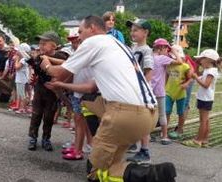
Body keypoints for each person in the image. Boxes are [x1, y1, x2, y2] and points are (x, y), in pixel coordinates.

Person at [40, 15, 176, 182]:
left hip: (125, 114)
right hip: (148, 115)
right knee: (111, 164)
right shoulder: (120, 46)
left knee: (94, 172)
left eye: (81, 32)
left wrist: (46, 63)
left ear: (92, 29)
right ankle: (147, 173)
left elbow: (59, 72)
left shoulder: (93, 42)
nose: (79, 37)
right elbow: (91, 87)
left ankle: (153, 175)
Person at [27, 31, 68, 152]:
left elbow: (67, 64)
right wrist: (33, 77)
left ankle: (46, 139)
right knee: (36, 115)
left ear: (54, 46)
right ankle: (33, 138)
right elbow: (36, 70)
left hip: (53, 93)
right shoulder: (39, 57)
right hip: (40, 90)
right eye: (40, 43)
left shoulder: (61, 56)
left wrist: (47, 59)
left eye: (44, 44)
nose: (41, 46)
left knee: (49, 117)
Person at [125, 18, 154, 164]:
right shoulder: (133, 48)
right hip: (132, 89)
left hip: (141, 91)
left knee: (143, 121)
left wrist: (145, 90)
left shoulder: (146, 50)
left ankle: (145, 150)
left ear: (145, 32)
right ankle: (132, 143)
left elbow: (149, 72)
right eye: (132, 30)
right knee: (133, 118)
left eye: (136, 30)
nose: (132, 32)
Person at [182, 49, 220, 148]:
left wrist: (195, 77)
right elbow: (200, 76)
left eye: (201, 59)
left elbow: (206, 85)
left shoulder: (211, 71)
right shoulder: (209, 70)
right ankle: (204, 140)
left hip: (205, 99)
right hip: (205, 98)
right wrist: (197, 66)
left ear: (208, 60)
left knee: (203, 120)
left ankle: (198, 140)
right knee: (206, 120)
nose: (200, 61)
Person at [151, 38, 183, 145]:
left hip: (148, 91)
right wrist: (174, 51)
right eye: (166, 48)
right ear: (161, 48)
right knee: (162, 114)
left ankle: (146, 134)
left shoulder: (150, 57)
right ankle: (164, 137)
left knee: (149, 113)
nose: (167, 51)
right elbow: (180, 62)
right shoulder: (162, 58)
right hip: (159, 91)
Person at [166, 46, 192, 140]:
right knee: (167, 111)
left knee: (180, 112)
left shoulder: (185, 66)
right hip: (169, 91)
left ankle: (179, 130)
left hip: (180, 93)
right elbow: (167, 77)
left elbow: (190, 78)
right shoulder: (169, 65)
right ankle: (164, 131)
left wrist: (186, 84)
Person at [14, 43, 31, 114]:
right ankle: (25, 108)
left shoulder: (23, 60)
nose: (17, 52)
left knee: (22, 94)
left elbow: (17, 67)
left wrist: (16, 60)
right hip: (23, 79)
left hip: (21, 80)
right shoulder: (25, 59)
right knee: (23, 94)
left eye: (18, 50)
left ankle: (22, 108)